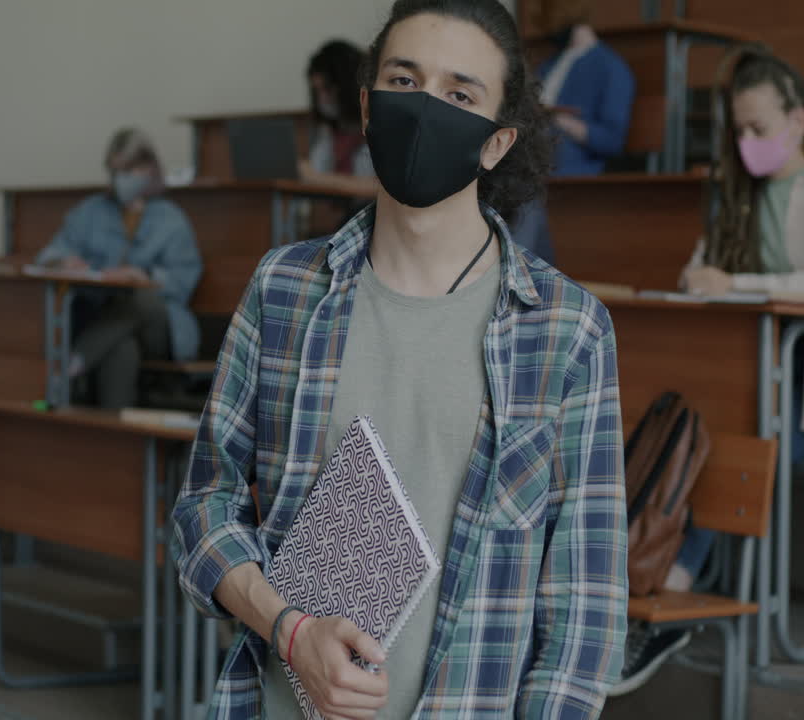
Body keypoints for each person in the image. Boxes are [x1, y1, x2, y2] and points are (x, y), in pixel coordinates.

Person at [172, 1, 628, 717]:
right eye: (404, 81)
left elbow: (583, 609)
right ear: (366, 105)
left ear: (497, 142)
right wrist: (289, 632)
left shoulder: (568, 330)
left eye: (459, 95)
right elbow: (204, 506)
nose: (424, 110)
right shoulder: (284, 289)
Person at [611, 45, 804, 696]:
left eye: (758, 130)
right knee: (700, 424)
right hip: (759, 387)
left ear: (797, 121)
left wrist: (738, 282)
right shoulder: (735, 194)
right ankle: (646, 585)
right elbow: (700, 276)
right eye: (738, 131)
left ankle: (674, 594)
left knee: (735, 444)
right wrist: (710, 279)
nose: (747, 144)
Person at [35, 128, 202, 409]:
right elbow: (50, 253)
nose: (119, 179)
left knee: (139, 297)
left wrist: (145, 277)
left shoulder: (171, 219)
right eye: (114, 171)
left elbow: (184, 281)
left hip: (159, 323)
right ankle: (113, 443)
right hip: (106, 319)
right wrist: (62, 262)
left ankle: (73, 363)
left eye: (128, 170)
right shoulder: (91, 211)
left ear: (148, 169)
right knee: (122, 348)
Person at [508, 0, 636, 265]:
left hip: (567, 161)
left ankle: (515, 268)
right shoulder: (549, 64)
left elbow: (612, 140)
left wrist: (565, 122)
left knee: (527, 175)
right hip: (536, 152)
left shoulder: (611, 68)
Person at [297, 40, 381, 197]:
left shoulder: (378, 125)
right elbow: (315, 171)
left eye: (327, 89)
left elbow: (379, 189)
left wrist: (317, 178)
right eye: (317, 91)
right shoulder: (330, 132)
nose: (322, 99)